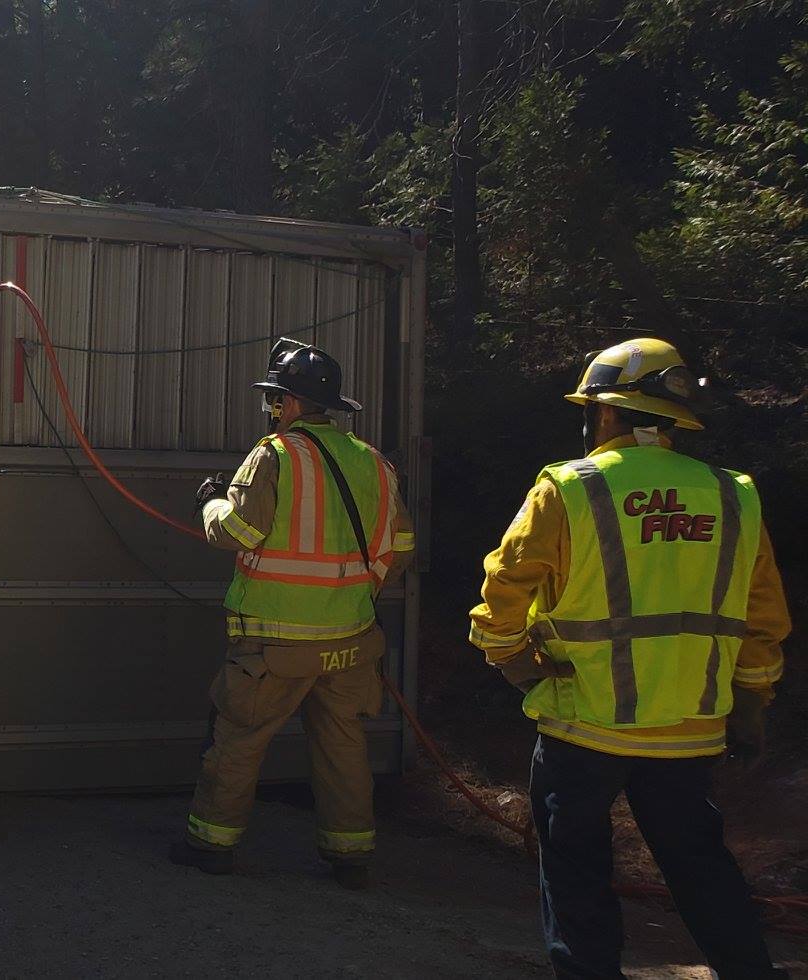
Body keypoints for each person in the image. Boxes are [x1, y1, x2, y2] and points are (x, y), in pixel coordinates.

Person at [467, 338, 787, 979]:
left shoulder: (571, 488)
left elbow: (504, 588)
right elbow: (762, 617)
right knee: (700, 864)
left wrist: (511, 659)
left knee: (575, 866)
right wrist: (751, 706)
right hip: (689, 731)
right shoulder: (733, 494)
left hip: (583, 724)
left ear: (606, 414)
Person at [172, 342, 416, 891]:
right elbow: (401, 546)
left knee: (239, 739)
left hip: (272, 645)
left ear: (287, 402)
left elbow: (240, 532)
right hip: (351, 641)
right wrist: (352, 593)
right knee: (343, 745)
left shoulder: (274, 454)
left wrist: (210, 502)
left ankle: (211, 844)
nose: (272, 409)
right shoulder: (375, 462)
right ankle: (351, 856)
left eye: (274, 399)